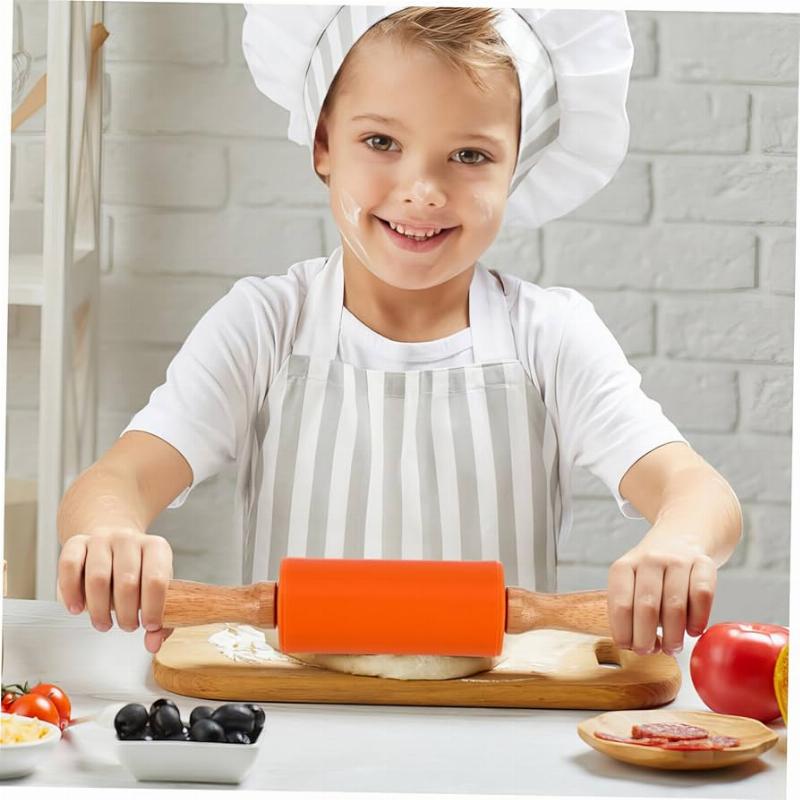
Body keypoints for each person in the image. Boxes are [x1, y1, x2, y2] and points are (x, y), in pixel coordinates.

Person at [56, 6, 742, 658]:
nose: (423, 191)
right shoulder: (266, 325)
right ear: (324, 143)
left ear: (518, 166)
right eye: (381, 141)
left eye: (470, 155)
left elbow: (698, 492)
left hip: (493, 724)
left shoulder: (549, 336)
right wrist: (110, 531)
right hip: (297, 721)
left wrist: (678, 543)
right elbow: (118, 478)